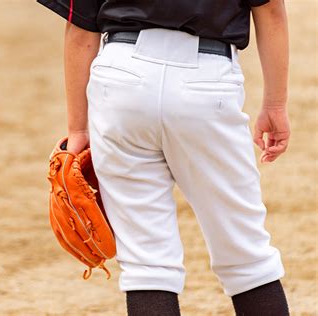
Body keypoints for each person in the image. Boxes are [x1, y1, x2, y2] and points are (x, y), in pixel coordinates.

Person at [36, 0, 291, 315]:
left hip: (122, 78)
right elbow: (270, 11)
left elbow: (81, 25)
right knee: (248, 260)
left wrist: (78, 130)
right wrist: (275, 105)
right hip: (206, 80)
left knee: (147, 266)